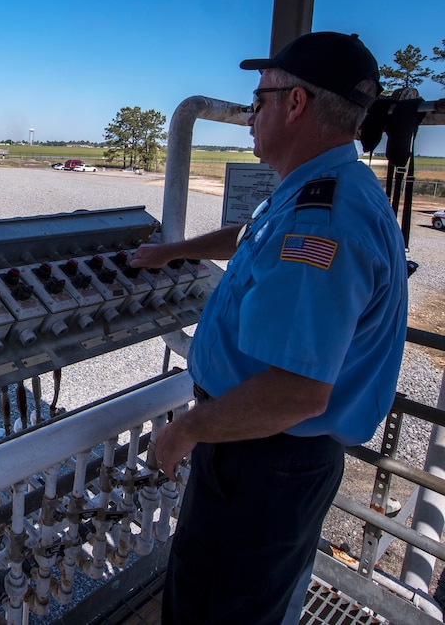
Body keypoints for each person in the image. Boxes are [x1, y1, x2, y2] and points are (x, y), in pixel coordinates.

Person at [131, 32, 407, 624]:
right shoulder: (322, 187)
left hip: (263, 457)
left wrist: (186, 431)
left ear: (297, 104)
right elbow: (251, 235)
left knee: (218, 607)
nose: (250, 116)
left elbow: (296, 392)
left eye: (258, 102)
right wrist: (174, 251)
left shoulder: (324, 223)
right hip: (270, 451)